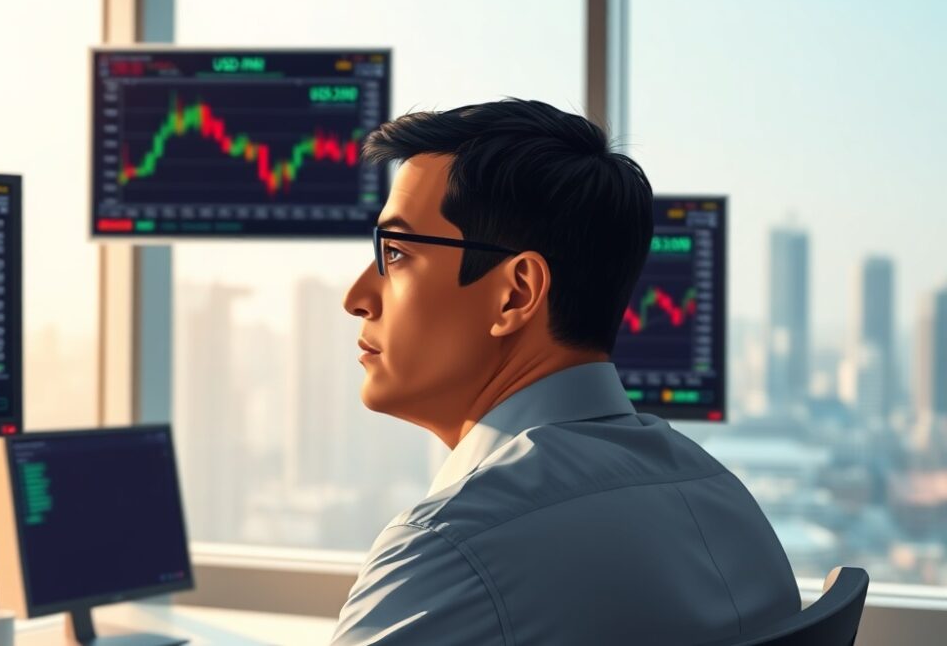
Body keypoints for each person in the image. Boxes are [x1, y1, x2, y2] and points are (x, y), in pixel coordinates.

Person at [333, 99, 798, 645]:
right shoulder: (723, 500)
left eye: (397, 252)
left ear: (516, 294)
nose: (357, 297)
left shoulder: (448, 548)